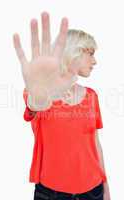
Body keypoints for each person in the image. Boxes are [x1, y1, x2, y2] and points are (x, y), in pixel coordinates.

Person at [13, 11, 111, 200]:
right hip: (52, 194)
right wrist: (39, 97)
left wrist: (105, 186)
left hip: (94, 191)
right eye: (89, 53)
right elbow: (33, 106)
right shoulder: (40, 92)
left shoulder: (91, 96)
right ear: (73, 53)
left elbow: (96, 145)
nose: (95, 61)